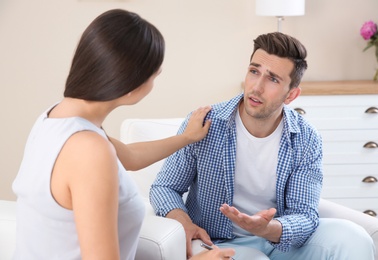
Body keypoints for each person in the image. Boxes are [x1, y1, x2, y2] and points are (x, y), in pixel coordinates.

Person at [12, 9, 234, 260]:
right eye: (155, 75)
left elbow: (128, 156)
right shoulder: (89, 150)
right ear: (132, 84)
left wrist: (186, 137)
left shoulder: (56, 117)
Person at [150, 32, 375, 259]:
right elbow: (164, 187)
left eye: (273, 79)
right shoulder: (205, 123)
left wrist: (266, 229)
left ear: (292, 95)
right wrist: (183, 222)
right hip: (218, 241)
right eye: (254, 71)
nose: (257, 87)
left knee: (354, 237)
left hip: (279, 240)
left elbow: (305, 215)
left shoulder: (306, 138)